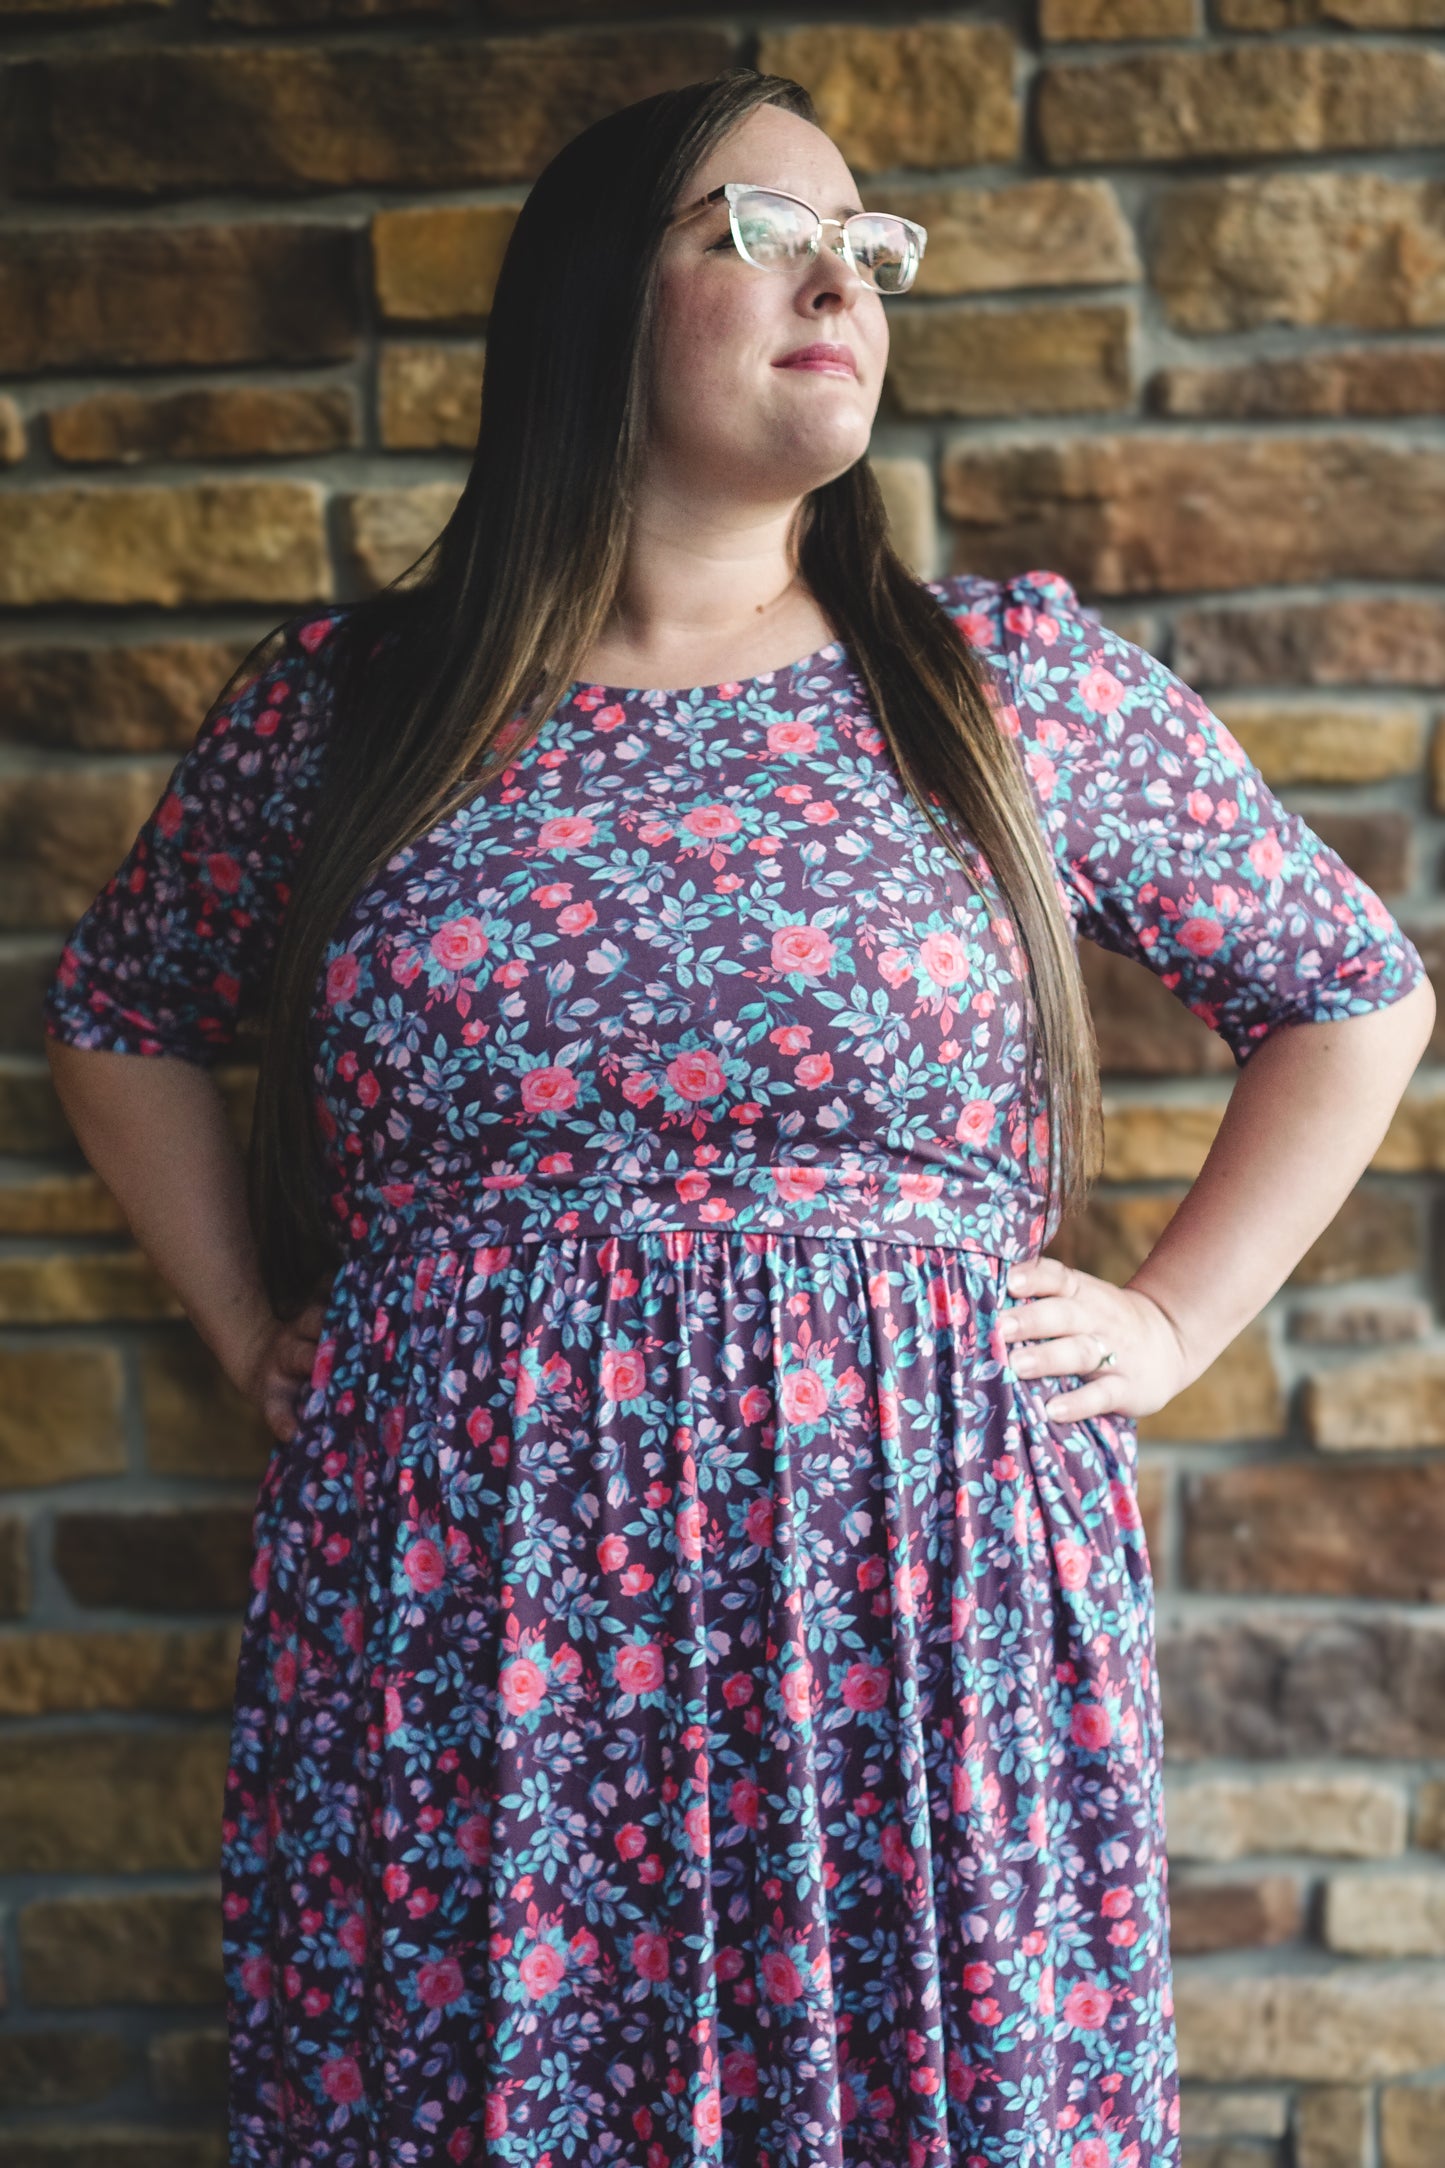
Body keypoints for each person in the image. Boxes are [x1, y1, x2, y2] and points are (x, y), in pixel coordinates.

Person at [41, 62, 1433, 2168]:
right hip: (468, 1599)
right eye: (763, 233)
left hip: (914, 1588)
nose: (842, 282)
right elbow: (120, 1010)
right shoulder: (351, 705)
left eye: (870, 247)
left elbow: (1348, 991)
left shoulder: (1003, 686)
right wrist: (249, 1331)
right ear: (597, 296)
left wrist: (1168, 1321)